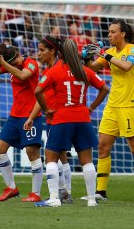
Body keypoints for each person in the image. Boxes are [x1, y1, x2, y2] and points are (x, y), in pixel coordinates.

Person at [83, 19, 134, 201]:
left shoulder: (133, 50)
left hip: (130, 105)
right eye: (109, 32)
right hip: (112, 105)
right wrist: (85, 57)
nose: (109, 35)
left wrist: (106, 56)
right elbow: (92, 67)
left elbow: (126, 66)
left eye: (113, 32)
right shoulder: (110, 52)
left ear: (123, 34)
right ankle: (100, 192)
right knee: (103, 146)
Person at [34, 39, 109, 207]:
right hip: (83, 118)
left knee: (51, 158)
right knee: (87, 160)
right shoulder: (85, 71)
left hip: (62, 118)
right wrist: (91, 107)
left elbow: (38, 90)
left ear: (60, 53)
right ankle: (91, 199)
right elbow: (105, 88)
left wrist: (46, 110)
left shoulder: (54, 72)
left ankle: (54, 198)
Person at [0, 43, 43, 202]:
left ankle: (36, 194)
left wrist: (4, 62)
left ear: (18, 56)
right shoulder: (11, 64)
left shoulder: (30, 62)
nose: (12, 66)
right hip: (14, 116)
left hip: (31, 115)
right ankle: (11, 187)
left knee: (32, 153)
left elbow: (23, 76)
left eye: (13, 63)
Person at [23, 36, 73, 203]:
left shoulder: (59, 69)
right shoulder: (49, 71)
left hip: (61, 117)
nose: (38, 53)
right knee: (61, 156)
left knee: (53, 155)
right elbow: (41, 97)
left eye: (42, 50)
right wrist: (31, 117)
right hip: (54, 118)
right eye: (38, 49)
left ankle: (61, 193)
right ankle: (66, 193)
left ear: (53, 51)